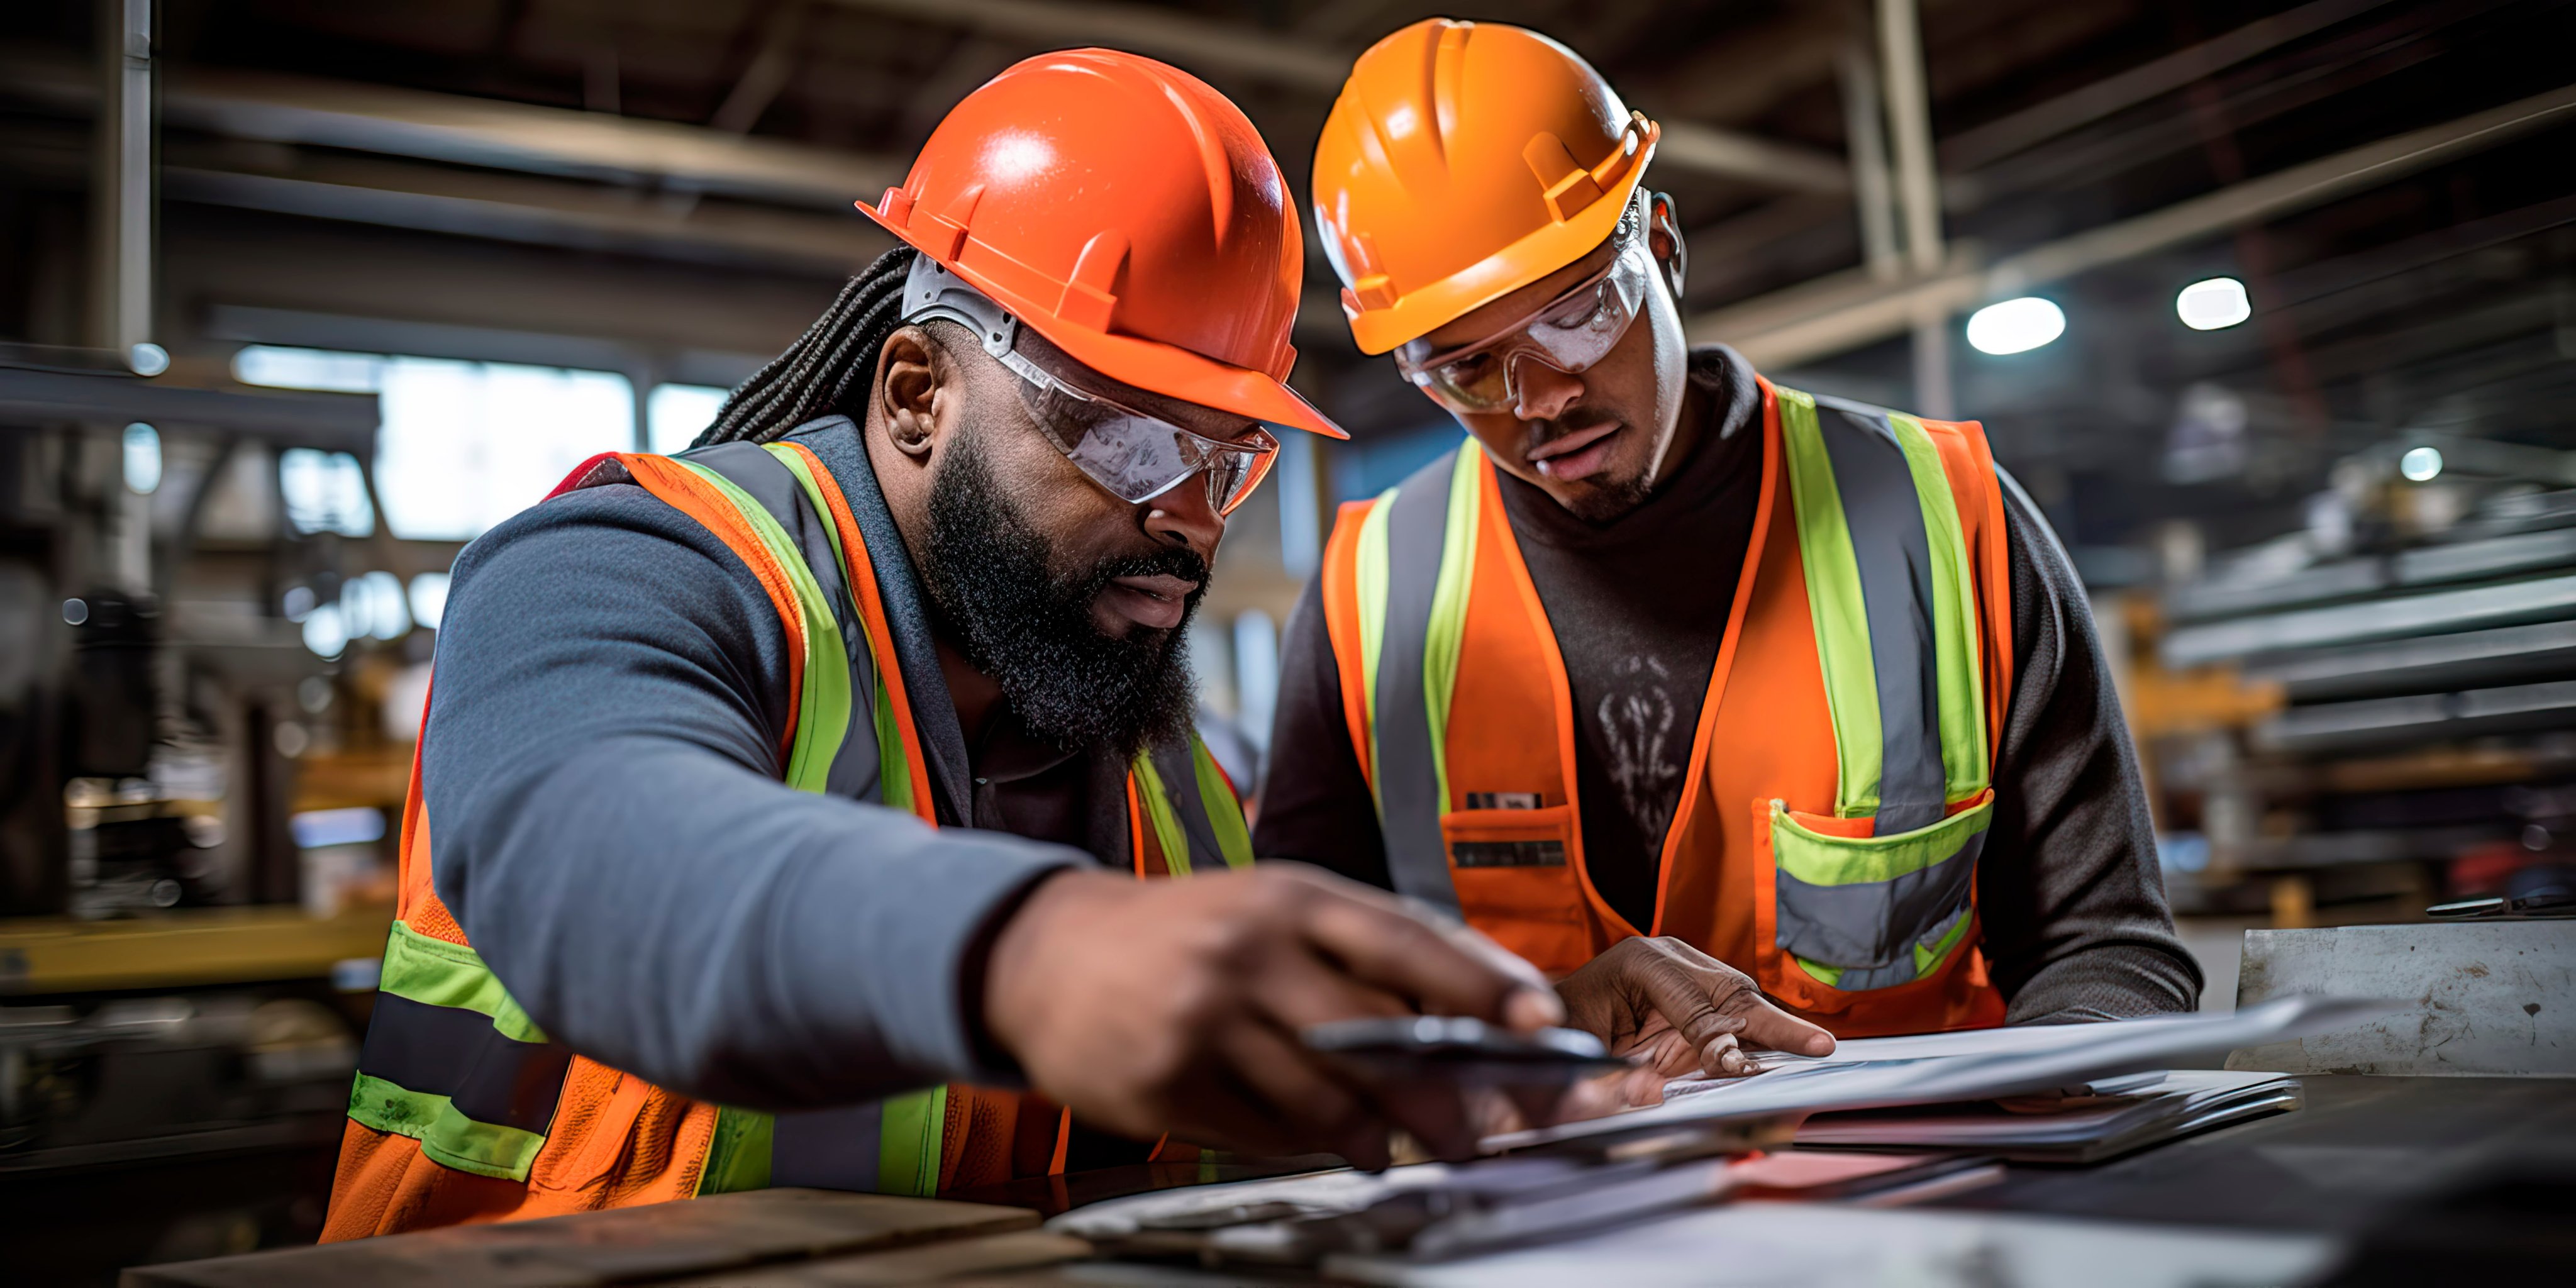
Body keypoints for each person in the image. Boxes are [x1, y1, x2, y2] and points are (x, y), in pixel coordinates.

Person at [323, 49, 1584, 1240]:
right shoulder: (629, 567)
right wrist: (1026, 949)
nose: (1189, 522)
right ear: (917, 393)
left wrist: (1499, 1034)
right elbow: (589, 840)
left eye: (1227, 462)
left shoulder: (1142, 744)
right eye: (1129, 441)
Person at [1260, 19, 2201, 1050]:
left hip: (1916, 1198)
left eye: (1577, 313)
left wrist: (2045, 1116)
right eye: (1467, 367)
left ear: (1661, 246)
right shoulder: (1371, 593)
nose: (1542, 399)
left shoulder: (1949, 519)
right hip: (1550, 1207)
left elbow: (2108, 952)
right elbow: (1303, 996)